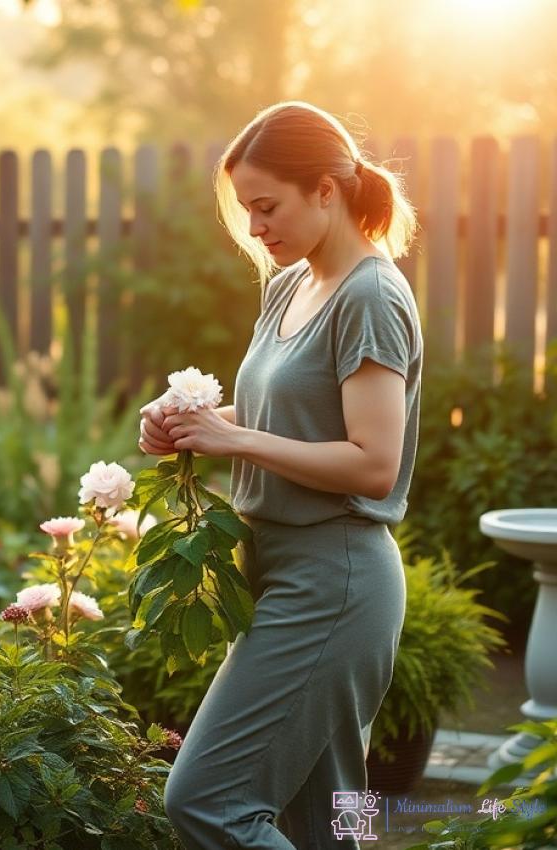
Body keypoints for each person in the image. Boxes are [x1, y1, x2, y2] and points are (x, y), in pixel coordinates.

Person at [138, 101, 423, 849]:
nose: (256, 228)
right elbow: (288, 412)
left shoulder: (370, 296)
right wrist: (190, 420)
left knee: (206, 800)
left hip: (335, 578)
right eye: (247, 210)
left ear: (327, 190)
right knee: (325, 828)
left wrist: (236, 442)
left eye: (268, 207)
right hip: (275, 569)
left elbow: (371, 462)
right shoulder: (288, 287)